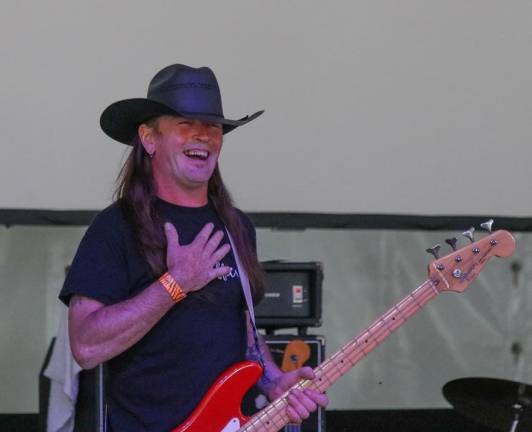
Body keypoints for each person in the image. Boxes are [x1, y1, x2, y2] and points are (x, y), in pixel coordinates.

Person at [60, 63, 328, 431]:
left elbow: (244, 335)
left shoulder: (236, 228)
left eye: (213, 127)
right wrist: (176, 284)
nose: (203, 136)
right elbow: (86, 347)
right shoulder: (116, 228)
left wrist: (272, 380)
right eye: (186, 124)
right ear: (149, 138)